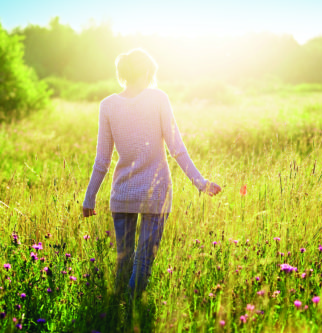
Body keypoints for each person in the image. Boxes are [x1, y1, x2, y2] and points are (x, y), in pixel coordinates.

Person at [82, 48, 221, 299]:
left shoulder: (108, 105)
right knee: (143, 262)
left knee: (123, 262)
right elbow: (176, 148)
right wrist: (200, 183)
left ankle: (116, 314)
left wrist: (89, 197)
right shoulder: (158, 99)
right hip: (156, 194)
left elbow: (102, 160)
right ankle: (132, 313)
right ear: (147, 71)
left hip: (122, 194)